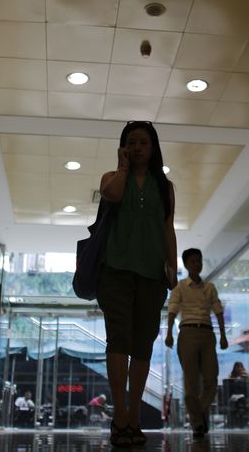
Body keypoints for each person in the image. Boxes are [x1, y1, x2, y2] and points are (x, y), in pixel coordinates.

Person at [98, 120, 177, 447]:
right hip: (115, 270)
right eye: (132, 142)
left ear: (154, 147)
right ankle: (119, 416)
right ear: (123, 147)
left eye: (144, 142)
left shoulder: (164, 186)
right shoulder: (112, 178)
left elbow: (167, 227)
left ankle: (132, 415)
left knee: (143, 342)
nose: (138, 147)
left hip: (152, 274)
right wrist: (122, 167)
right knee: (119, 338)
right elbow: (112, 194)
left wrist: (172, 267)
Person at [165, 247, 228, 438]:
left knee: (211, 379)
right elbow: (173, 309)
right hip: (187, 332)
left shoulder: (210, 287)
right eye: (192, 261)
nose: (197, 264)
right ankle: (199, 423)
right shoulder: (180, 286)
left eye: (199, 260)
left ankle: (197, 417)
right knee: (191, 383)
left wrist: (224, 335)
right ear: (186, 264)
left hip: (208, 334)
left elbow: (218, 311)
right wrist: (169, 333)